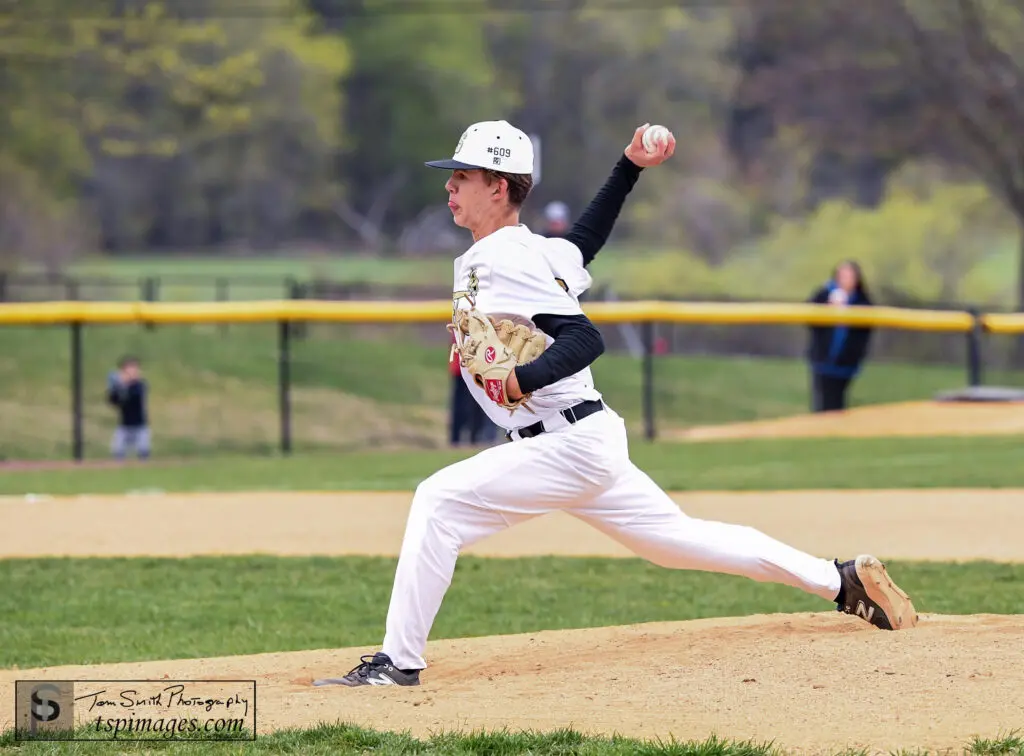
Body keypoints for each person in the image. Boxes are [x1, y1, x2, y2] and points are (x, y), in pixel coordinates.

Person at [313, 121, 917, 688]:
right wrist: (629, 166)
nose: (449, 185)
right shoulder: (531, 252)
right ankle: (836, 580)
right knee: (678, 541)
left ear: (498, 188)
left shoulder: (505, 258)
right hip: (582, 439)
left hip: (564, 443)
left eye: (463, 177)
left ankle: (397, 665)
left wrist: (521, 379)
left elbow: (584, 338)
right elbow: (583, 244)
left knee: (436, 502)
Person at [807, 261, 874, 413]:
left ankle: (834, 431)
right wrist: (827, 305)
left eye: (849, 276)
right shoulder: (825, 294)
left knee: (836, 402)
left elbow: (865, 330)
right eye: (842, 275)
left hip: (845, 363)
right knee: (821, 401)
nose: (845, 279)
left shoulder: (861, 301)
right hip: (822, 360)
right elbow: (809, 316)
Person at [448, 328, 499, 446]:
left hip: (470, 364)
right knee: (471, 403)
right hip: (473, 365)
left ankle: (464, 438)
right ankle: (469, 438)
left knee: (470, 403)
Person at [106, 356, 150, 460]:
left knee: (143, 453)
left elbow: (135, 397)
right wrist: (114, 388)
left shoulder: (140, 385)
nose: (132, 372)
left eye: (134, 369)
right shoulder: (120, 386)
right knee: (118, 452)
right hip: (124, 425)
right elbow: (113, 402)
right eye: (128, 369)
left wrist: (124, 386)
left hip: (140, 426)